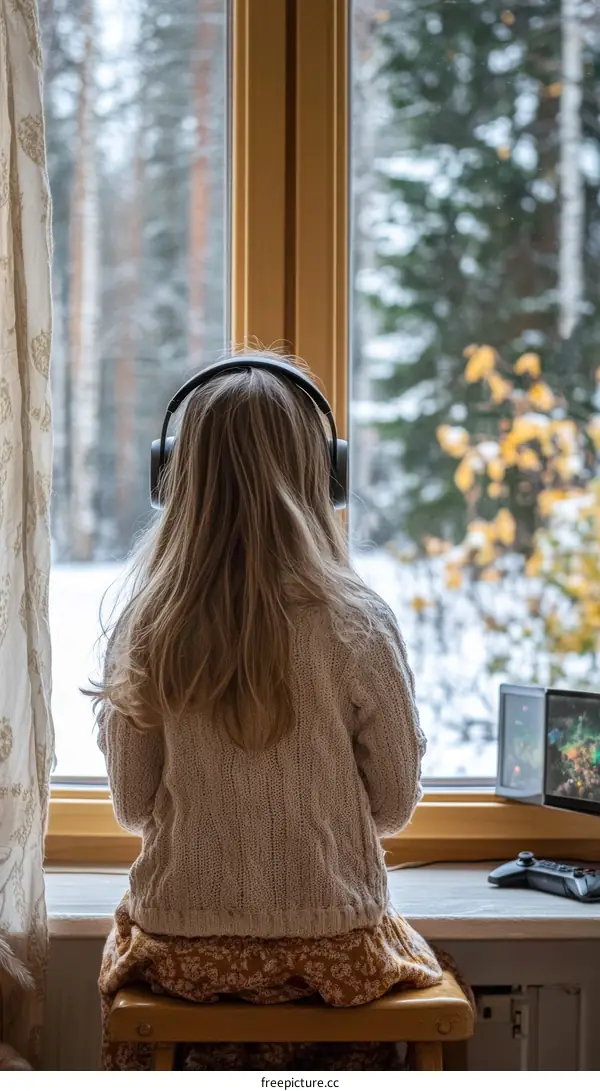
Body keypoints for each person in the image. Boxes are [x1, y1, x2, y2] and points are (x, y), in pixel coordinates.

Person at [91, 351, 446, 1070]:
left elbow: (131, 805)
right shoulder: (360, 623)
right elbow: (394, 807)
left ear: (174, 476)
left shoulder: (147, 625)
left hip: (184, 958)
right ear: (325, 474)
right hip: (333, 958)